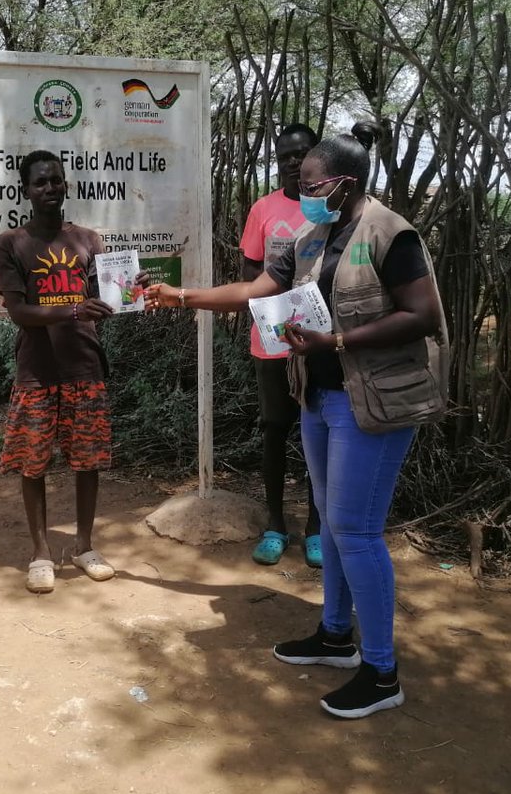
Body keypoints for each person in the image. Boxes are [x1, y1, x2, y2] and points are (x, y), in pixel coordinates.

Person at [144, 132, 448, 719]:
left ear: (345, 183)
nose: (302, 192)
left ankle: (382, 672)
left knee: (356, 531)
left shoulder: (392, 234)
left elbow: (422, 314)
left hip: (374, 404)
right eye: (302, 185)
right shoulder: (313, 237)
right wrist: (181, 296)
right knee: (334, 530)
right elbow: (258, 289)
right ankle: (335, 636)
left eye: (311, 185)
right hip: (321, 399)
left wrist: (335, 340)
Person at [0, 150, 116, 593]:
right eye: (40, 182)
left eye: (56, 181)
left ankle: (84, 545)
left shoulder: (87, 239)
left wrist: (128, 294)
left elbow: (106, 294)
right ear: (25, 189)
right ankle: (41, 552)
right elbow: (18, 312)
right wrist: (73, 308)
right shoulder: (10, 243)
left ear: (66, 185)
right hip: (37, 372)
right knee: (33, 463)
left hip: (85, 365)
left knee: (88, 461)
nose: (49, 188)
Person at [239, 123, 323, 568]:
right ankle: (275, 525)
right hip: (270, 340)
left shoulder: (330, 207)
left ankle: (315, 529)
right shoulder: (264, 209)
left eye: (302, 153)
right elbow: (251, 269)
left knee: (318, 435)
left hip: (319, 341)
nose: (293, 161)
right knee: (275, 432)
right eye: (285, 154)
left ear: (316, 155)